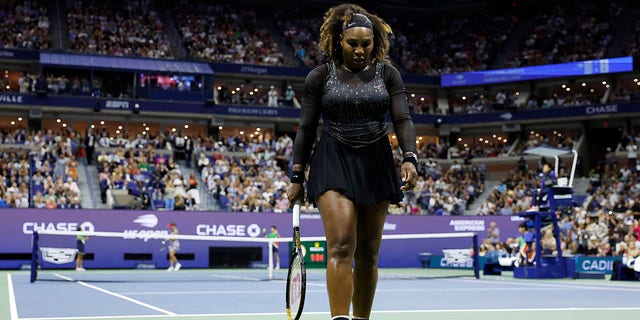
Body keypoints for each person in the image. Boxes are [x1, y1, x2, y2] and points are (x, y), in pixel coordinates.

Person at [286, 4, 418, 320]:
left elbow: (402, 118)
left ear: (375, 43)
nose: (359, 50)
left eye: (366, 44)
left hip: (377, 161)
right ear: (339, 41)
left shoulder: (389, 75)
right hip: (333, 158)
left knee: (368, 253)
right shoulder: (319, 76)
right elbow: (306, 127)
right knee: (342, 245)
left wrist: (410, 157)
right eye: (352, 44)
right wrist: (296, 174)